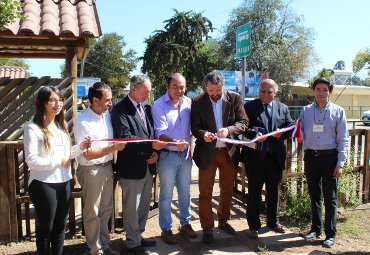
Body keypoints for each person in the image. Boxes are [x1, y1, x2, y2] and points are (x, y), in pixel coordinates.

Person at [24, 86, 88, 255]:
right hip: (43, 183)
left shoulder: (61, 126)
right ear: (42, 103)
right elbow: (32, 161)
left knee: (60, 226)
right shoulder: (32, 128)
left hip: (64, 181)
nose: (57, 103)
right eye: (52, 100)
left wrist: (80, 148)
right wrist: (58, 161)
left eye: (59, 100)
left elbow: (66, 156)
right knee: (46, 227)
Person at [111, 75, 167, 255]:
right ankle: (132, 242)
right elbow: (126, 137)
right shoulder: (120, 110)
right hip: (131, 168)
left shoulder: (147, 108)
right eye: (145, 92)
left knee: (143, 205)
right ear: (133, 89)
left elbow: (151, 134)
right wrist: (151, 146)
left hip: (147, 165)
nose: (147, 96)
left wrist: (155, 153)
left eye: (149, 93)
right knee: (131, 208)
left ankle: (138, 236)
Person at [190, 70, 248, 244]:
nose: (214, 94)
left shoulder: (235, 98)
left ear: (223, 86)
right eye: (211, 91)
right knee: (205, 193)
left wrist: (229, 130)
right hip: (207, 153)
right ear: (206, 87)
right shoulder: (197, 101)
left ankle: (223, 222)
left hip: (228, 153)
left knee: (227, 190)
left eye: (217, 90)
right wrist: (203, 135)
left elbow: (243, 122)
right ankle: (207, 229)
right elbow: (194, 127)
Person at [74, 82, 126, 255]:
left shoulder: (107, 116)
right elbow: (88, 154)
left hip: (106, 167)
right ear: (95, 100)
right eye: (107, 100)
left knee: (106, 209)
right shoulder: (83, 121)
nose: (110, 103)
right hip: (91, 170)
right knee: (92, 211)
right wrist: (114, 148)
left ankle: (104, 244)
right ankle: (95, 248)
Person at [299, 77, 349, 248]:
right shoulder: (305, 111)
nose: (321, 93)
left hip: (330, 158)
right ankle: (315, 228)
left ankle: (331, 234)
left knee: (330, 198)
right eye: (318, 89)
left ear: (330, 92)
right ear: (313, 91)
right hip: (311, 158)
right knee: (314, 196)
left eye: (325, 90)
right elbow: (297, 131)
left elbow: (343, 139)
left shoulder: (338, 111)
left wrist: (340, 163)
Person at [242, 79, 292, 239]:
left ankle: (273, 221)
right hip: (255, 158)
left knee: (274, 192)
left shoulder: (283, 108)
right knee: (254, 192)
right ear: (258, 91)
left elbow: (290, 127)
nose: (265, 94)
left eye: (269, 91)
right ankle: (253, 226)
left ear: (275, 93)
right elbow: (243, 126)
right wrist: (253, 135)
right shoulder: (249, 107)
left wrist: (282, 133)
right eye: (263, 91)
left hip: (275, 158)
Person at [151, 73, 195, 245]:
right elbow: (160, 133)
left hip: (185, 156)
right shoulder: (158, 105)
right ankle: (166, 228)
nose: (179, 90)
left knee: (185, 192)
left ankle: (185, 224)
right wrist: (175, 142)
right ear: (167, 87)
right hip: (168, 155)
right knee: (166, 194)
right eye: (175, 86)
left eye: (182, 86)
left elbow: (193, 126)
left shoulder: (189, 103)